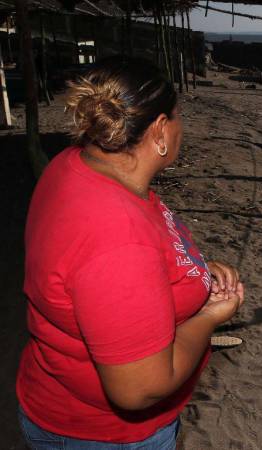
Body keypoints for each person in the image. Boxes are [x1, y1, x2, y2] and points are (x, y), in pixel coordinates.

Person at [16, 56, 244, 449]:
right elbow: (139, 389)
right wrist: (208, 319)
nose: (180, 128)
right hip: (106, 436)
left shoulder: (77, 164)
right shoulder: (118, 238)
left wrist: (190, 269)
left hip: (55, 399)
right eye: (177, 117)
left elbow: (87, 271)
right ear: (159, 129)